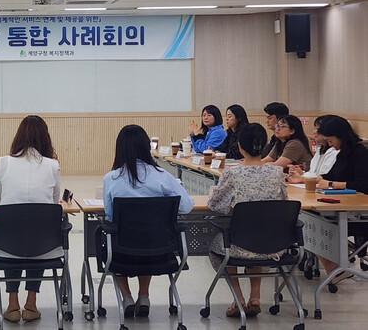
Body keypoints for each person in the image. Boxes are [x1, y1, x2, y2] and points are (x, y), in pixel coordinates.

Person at [102, 124, 194, 318]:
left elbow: (110, 216)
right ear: (146, 147)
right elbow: (186, 206)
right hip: (158, 250)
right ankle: (144, 296)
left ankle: (126, 297)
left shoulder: (111, 178)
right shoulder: (162, 176)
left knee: (115, 243)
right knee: (147, 237)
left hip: (122, 251)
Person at [207, 123, 287, 318]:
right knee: (258, 230)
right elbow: (283, 202)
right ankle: (255, 296)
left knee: (220, 247)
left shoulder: (232, 173)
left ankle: (239, 298)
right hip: (274, 245)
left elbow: (216, 205)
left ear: (240, 146)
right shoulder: (277, 172)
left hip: (240, 244)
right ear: (265, 145)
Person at [0, 115, 61, 323]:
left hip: (7, 243)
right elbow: (54, 204)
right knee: (37, 229)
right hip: (44, 245)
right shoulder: (52, 165)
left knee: (14, 229)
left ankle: (12, 304)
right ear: (45, 138)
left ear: (18, 137)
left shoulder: (3, 163)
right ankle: (31, 303)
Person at [315, 116, 368, 284]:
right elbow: (331, 175)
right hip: (343, 208)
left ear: (341, 136)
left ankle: (336, 269)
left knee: (317, 226)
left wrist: (332, 184)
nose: (330, 145)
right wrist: (314, 179)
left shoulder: (360, 153)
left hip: (359, 215)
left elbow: (363, 185)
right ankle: (335, 270)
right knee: (311, 220)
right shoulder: (343, 154)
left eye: (331, 140)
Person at [286, 115, 340, 183]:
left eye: (317, 129)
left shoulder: (335, 151)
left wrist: (302, 177)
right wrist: (301, 174)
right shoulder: (321, 149)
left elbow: (325, 177)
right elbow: (313, 173)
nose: (314, 132)